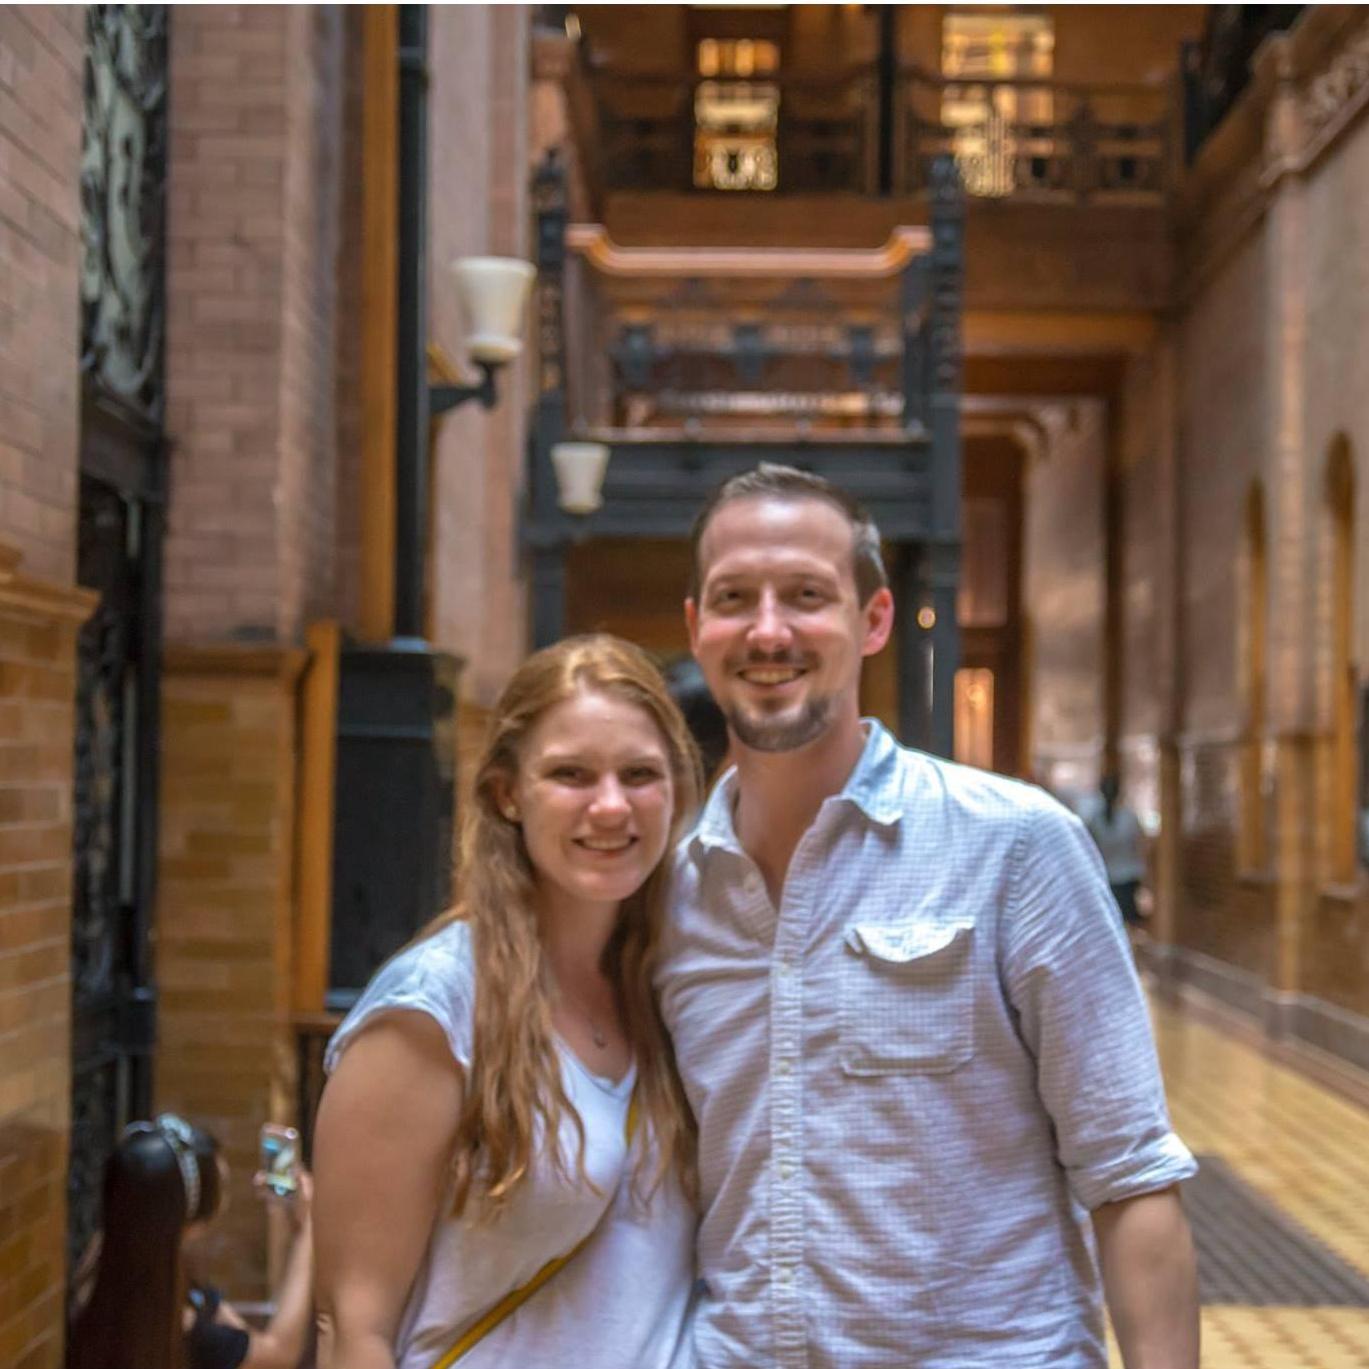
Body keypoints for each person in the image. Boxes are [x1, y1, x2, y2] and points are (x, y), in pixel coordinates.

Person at [659, 463, 1200, 1368]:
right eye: (732, 597)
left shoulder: (1014, 846)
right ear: (695, 626)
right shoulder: (670, 897)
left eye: (805, 595)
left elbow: (1130, 1173)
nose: (766, 628)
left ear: (872, 621)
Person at [312, 635, 701, 1369]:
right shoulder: (432, 1009)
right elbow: (351, 1326)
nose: (611, 804)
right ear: (506, 792)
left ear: (676, 789)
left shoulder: (680, 983)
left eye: (640, 773)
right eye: (571, 774)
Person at [69, 1114, 316, 1369]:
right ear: (191, 1227)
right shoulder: (187, 1332)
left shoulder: (92, 1275)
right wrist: (305, 1228)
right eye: (224, 1190)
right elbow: (278, 1354)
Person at [1082, 773, 1149, 927]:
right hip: (1122, 876)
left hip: (1113, 877)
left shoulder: (1096, 820)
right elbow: (1141, 847)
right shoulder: (1125, 818)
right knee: (1124, 921)